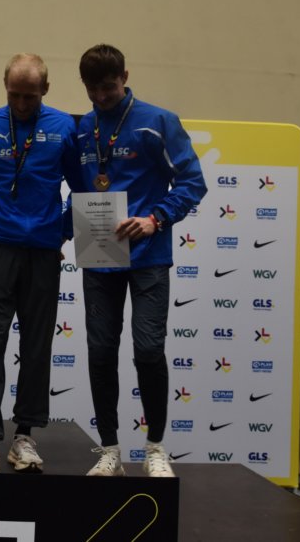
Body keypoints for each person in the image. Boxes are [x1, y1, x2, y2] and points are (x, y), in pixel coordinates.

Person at [75, 44, 206, 478]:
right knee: (100, 352)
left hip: (149, 257)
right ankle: (110, 450)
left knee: (148, 350)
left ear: (125, 78)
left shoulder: (157, 122)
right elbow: (81, 192)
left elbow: (192, 182)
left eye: (109, 87)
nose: (101, 97)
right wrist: (58, 232)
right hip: (99, 257)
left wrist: (156, 219)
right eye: (92, 89)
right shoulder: (84, 128)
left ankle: (155, 448)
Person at [0, 53, 83, 474]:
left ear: (46, 89)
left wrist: (61, 232)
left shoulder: (65, 127)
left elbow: (83, 189)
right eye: (14, 95)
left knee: (37, 346)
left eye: (30, 96)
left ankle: (24, 436)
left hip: (43, 252)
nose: (22, 104)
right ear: (5, 87)